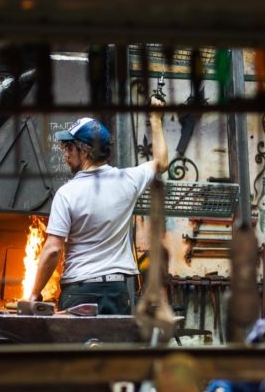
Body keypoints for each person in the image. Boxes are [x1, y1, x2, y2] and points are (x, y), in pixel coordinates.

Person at [28, 97, 168, 313]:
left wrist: (35, 293)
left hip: (80, 292)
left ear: (84, 151)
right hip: (117, 292)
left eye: (69, 148)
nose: (65, 155)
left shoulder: (67, 193)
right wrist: (156, 120)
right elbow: (162, 161)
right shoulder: (128, 180)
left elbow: (53, 250)